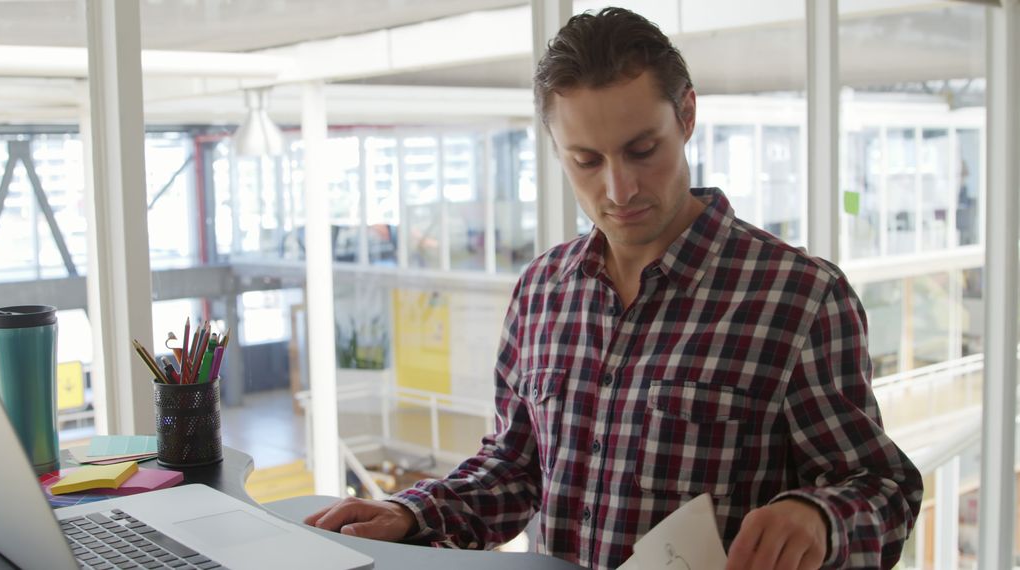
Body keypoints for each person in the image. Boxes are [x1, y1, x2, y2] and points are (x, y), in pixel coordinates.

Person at [305, 7, 922, 569]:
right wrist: (414, 512)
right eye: (586, 161)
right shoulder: (541, 291)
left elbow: (882, 489)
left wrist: (818, 517)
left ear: (686, 116)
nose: (619, 190)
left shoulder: (800, 297)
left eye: (641, 149)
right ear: (555, 149)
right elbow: (514, 468)